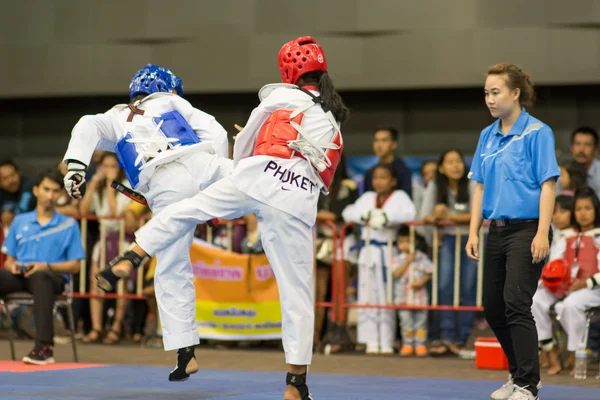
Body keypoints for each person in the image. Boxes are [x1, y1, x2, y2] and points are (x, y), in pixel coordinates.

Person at [95, 36, 348, 400]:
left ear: (287, 71)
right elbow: (326, 176)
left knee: (183, 211)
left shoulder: (278, 96)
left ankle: (134, 253)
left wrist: (244, 158)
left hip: (257, 175)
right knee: (297, 295)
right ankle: (296, 385)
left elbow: (244, 149)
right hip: (296, 196)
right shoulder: (332, 118)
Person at [61, 64, 230, 379]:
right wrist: (212, 193)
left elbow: (87, 125)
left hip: (166, 184)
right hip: (206, 164)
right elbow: (217, 133)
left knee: (172, 267)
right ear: (169, 87)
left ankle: (185, 352)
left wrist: (76, 168)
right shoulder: (174, 101)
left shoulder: (117, 116)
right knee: (260, 186)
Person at [465, 64, 560, 400]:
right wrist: (474, 231)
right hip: (497, 231)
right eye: (487, 93)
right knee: (493, 307)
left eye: (496, 92)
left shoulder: (537, 132)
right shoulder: (486, 136)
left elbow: (548, 185)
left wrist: (542, 232)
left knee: (516, 302)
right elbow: (479, 188)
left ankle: (528, 384)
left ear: (515, 93)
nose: (490, 99)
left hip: (528, 230)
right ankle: (517, 373)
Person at [0, 169, 85, 364]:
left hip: (50, 277)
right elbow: (9, 260)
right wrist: (13, 266)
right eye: (46, 190)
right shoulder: (19, 221)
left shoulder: (68, 224)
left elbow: (75, 266)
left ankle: (44, 348)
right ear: (37, 191)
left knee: (41, 277)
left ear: (60, 195)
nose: (50, 195)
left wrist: (45, 266)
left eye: (55, 191)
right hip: (20, 276)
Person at [341, 164, 415, 354]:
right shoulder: (366, 198)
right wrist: (365, 215)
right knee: (366, 296)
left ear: (393, 181)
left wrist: (386, 217)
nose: (379, 181)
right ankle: (369, 341)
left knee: (386, 297)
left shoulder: (400, 197)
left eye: (383, 177)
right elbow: (347, 212)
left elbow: (410, 213)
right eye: (376, 178)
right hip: (368, 252)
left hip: (387, 253)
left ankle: (387, 341)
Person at [420, 149, 477, 357]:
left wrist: (450, 217)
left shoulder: (472, 183)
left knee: (469, 288)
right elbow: (424, 216)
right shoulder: (436, 185)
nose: (456, 166)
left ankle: (462, 339)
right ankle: (447, 337)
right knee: (444, 287)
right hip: (446, 240)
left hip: (472, 241)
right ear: (442, 168)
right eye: (450, 162)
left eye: (458, 161)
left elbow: (479, 214)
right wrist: (435, 217)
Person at [392, 224, 432, 357]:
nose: (404, 245)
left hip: (420, 297)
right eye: (401, 242)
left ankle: (420, 344)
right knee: (406, 322)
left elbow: (429, 271)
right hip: (403, 297)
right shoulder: (397, 259)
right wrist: (407, 262)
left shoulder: (421, 256)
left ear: (415, 242)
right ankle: (407, 344)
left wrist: (421, 282)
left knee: (421, 321)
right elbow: (396, 273)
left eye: (408, 241)